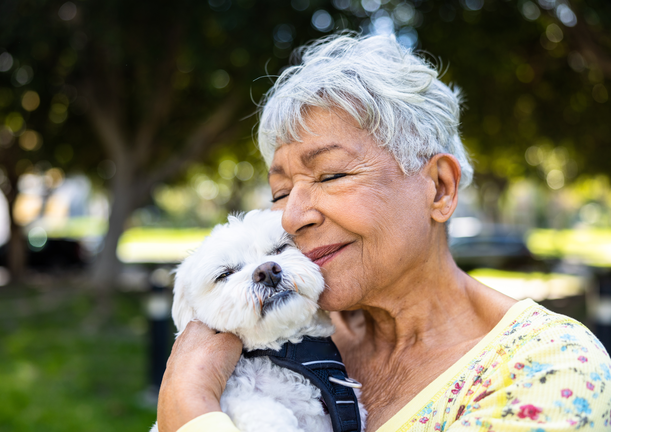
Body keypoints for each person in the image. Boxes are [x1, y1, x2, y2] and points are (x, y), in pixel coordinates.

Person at [155, 34, 611, 432]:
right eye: (279, 191)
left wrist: (187, 402)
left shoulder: (546, 371)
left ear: (439, 188)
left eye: (330, 175)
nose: (293, 216)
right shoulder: (294, 332)